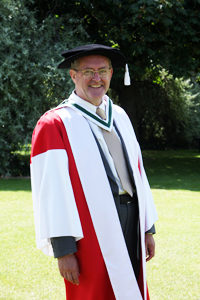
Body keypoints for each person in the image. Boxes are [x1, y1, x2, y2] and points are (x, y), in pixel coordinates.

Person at [30, 44, 158, 300]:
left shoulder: (119, 115)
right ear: (73, 75)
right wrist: (64, 250)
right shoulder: (55, 123)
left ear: (112, 73)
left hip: (131, 220)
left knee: (130, 288)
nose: (96, 78)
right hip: (87, 232)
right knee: (94, 293)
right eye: (88, 71)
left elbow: (138, 172)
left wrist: (147, 228)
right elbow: (51, 193)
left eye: (102, 71)